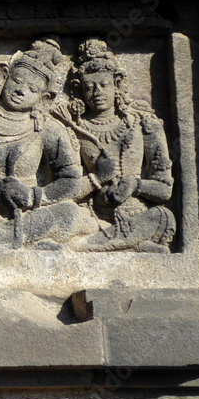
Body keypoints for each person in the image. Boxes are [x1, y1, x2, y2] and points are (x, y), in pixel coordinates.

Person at [0, 37, 97, 248]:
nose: (21, 91)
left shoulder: (47, 129)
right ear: (4, 77)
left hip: (28, 211)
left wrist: (34, 196)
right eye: (17, 81)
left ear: (44, 98)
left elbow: (70, 178)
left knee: (69, 212)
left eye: (33, 89)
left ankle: (5, 238)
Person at [56, 38, 175, 251]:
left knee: (162, 216)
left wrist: (135, 185)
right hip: (93, 217)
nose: (97, 93)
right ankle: (125, 247)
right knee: (66, 217)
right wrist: (96, 180)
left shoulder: (144, 124)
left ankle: (86, 248)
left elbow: (164, 189)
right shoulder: (73, 129)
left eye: (104, 84)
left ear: (117, 84)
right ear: (79, 89)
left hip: (139, 215)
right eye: (89, 87)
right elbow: (66, 187)